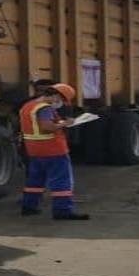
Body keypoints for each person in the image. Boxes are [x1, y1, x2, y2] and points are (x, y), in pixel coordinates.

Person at [19, 83, 89, 220]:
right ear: (56, 95)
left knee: (35, 181)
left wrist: (60, 121)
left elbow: (37, 126)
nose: (60, 103)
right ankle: (62, 211)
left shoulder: (28, 106)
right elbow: (47, 127)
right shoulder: (45, 108)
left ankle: (28, 207)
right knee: (62, 181)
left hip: (34, 150)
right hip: (53, 150)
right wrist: (65, 124)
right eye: (61, 100)